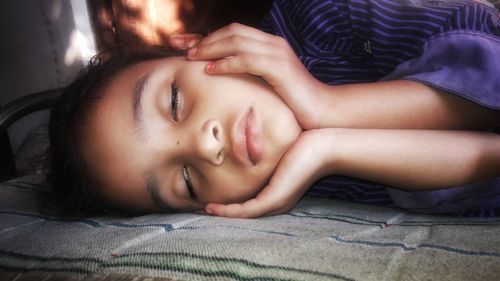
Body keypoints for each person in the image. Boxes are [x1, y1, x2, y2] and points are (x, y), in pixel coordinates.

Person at [47, 0, 500, 217]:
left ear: (194, 47)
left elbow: (489, 85)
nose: (205, 147)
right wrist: (330, 148)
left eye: (174, 101)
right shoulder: (300, 188)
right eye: (185, 181)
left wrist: (325, 104)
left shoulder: (323, 17)